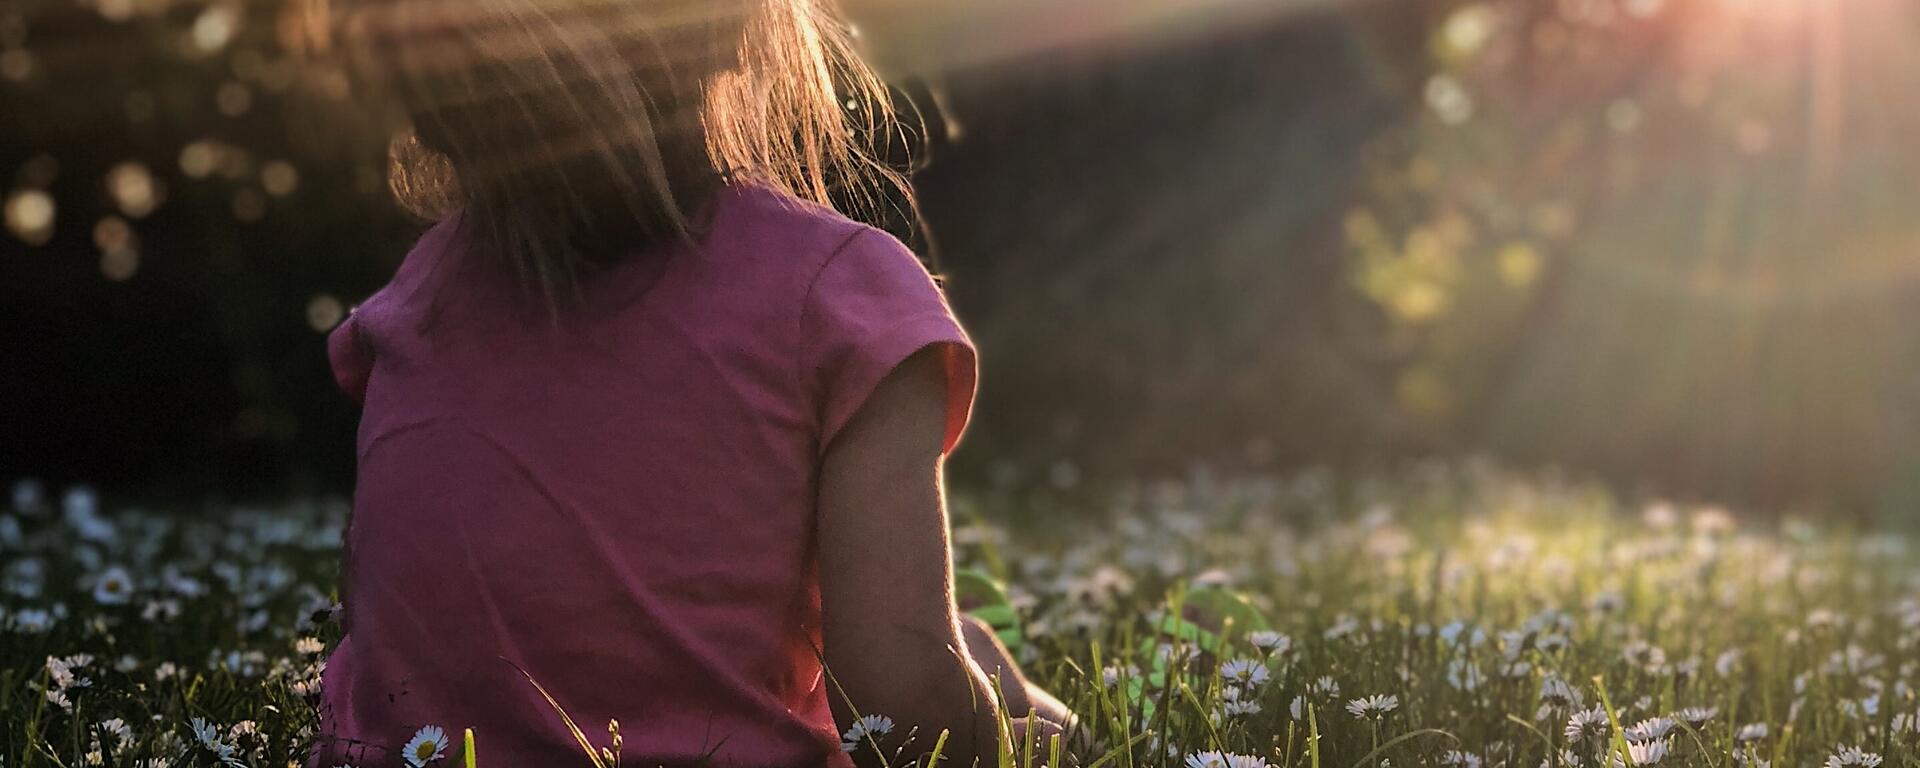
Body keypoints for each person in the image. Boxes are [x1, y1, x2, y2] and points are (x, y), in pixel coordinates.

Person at [308, 0, 1069, 765]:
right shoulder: (838, 302)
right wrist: (1033, 720)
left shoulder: (412, 309)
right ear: (736, 31)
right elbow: (911, 720)